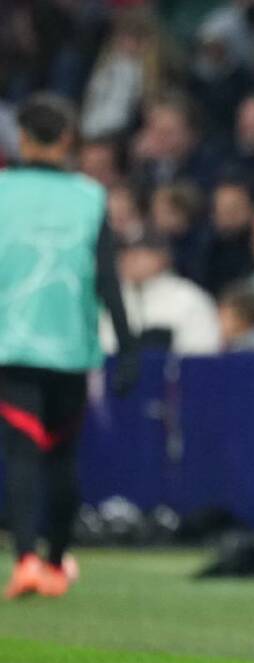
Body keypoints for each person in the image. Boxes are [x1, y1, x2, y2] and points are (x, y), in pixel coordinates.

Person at [1, 94, 138, 599]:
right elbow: (107, 278)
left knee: (20, 454)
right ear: (66, 140)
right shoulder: (89, 196)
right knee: (61, 457)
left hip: (12, 343)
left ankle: (25, 561)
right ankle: (57, 565)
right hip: (70, 347)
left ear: (22, 138)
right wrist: (126, 345)